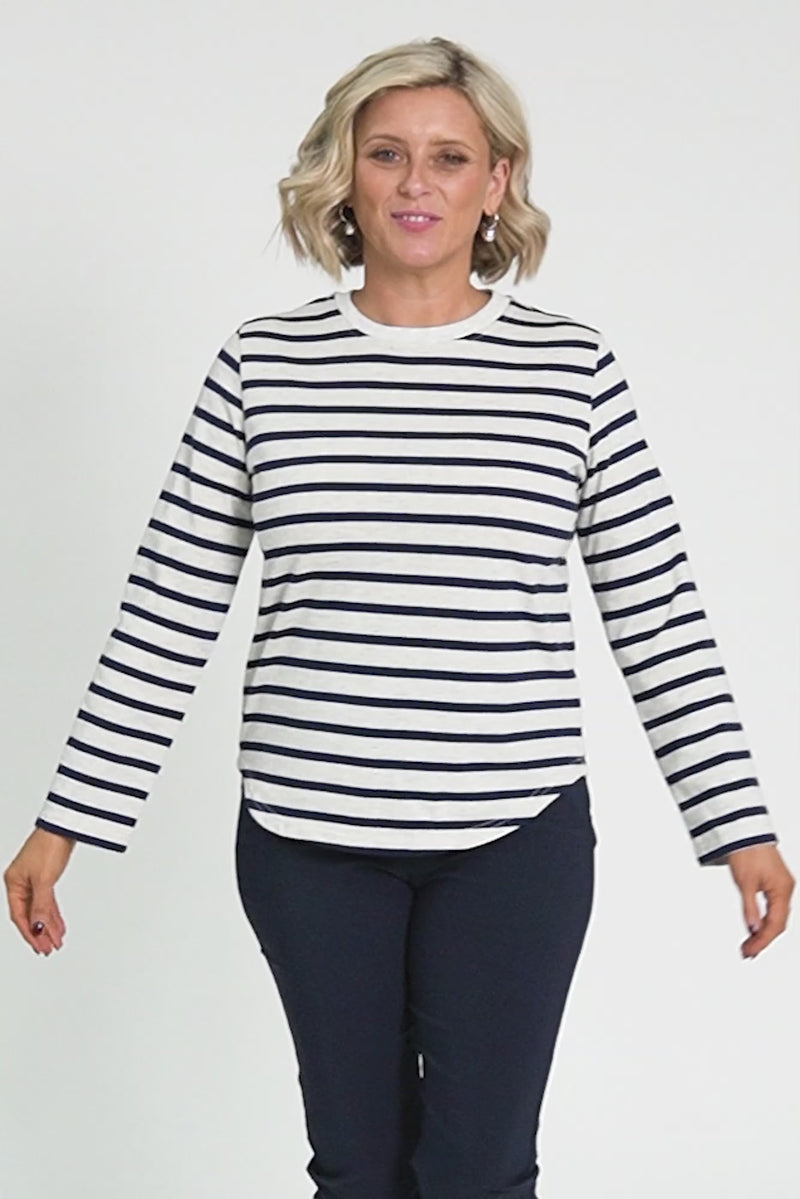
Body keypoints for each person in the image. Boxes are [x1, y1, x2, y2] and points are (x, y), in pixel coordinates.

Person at [5, 34, 794, 1199]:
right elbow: (168, 606)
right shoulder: (262, 367)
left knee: (478, 1169)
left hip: (513, 839)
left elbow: (655, 610)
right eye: (385, 154)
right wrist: (66, 821)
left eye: (447, 156)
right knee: (358, 1167)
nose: (415, 182)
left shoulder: (568, 372)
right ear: (345, 173)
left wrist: (734, 823)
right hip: (308, 839)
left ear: (497, 180)